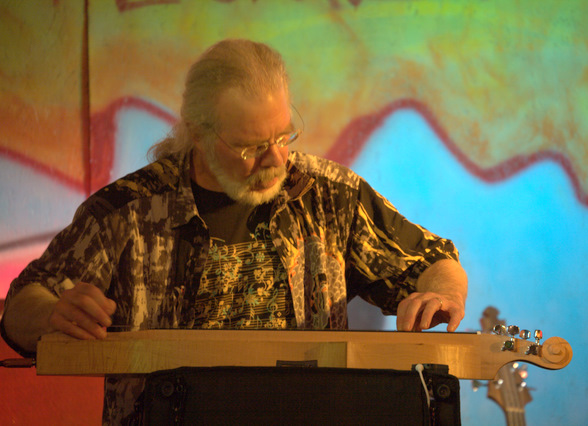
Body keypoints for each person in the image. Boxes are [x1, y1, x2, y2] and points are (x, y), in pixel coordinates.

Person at [1, 39, 467, 423]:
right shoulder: (128, 210)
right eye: (251, 147)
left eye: (284, 137)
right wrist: (51, 315)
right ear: (200, 135)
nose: (275, 160)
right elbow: (23, 302)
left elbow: (432, 261)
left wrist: (442, 293)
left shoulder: (329, 196)